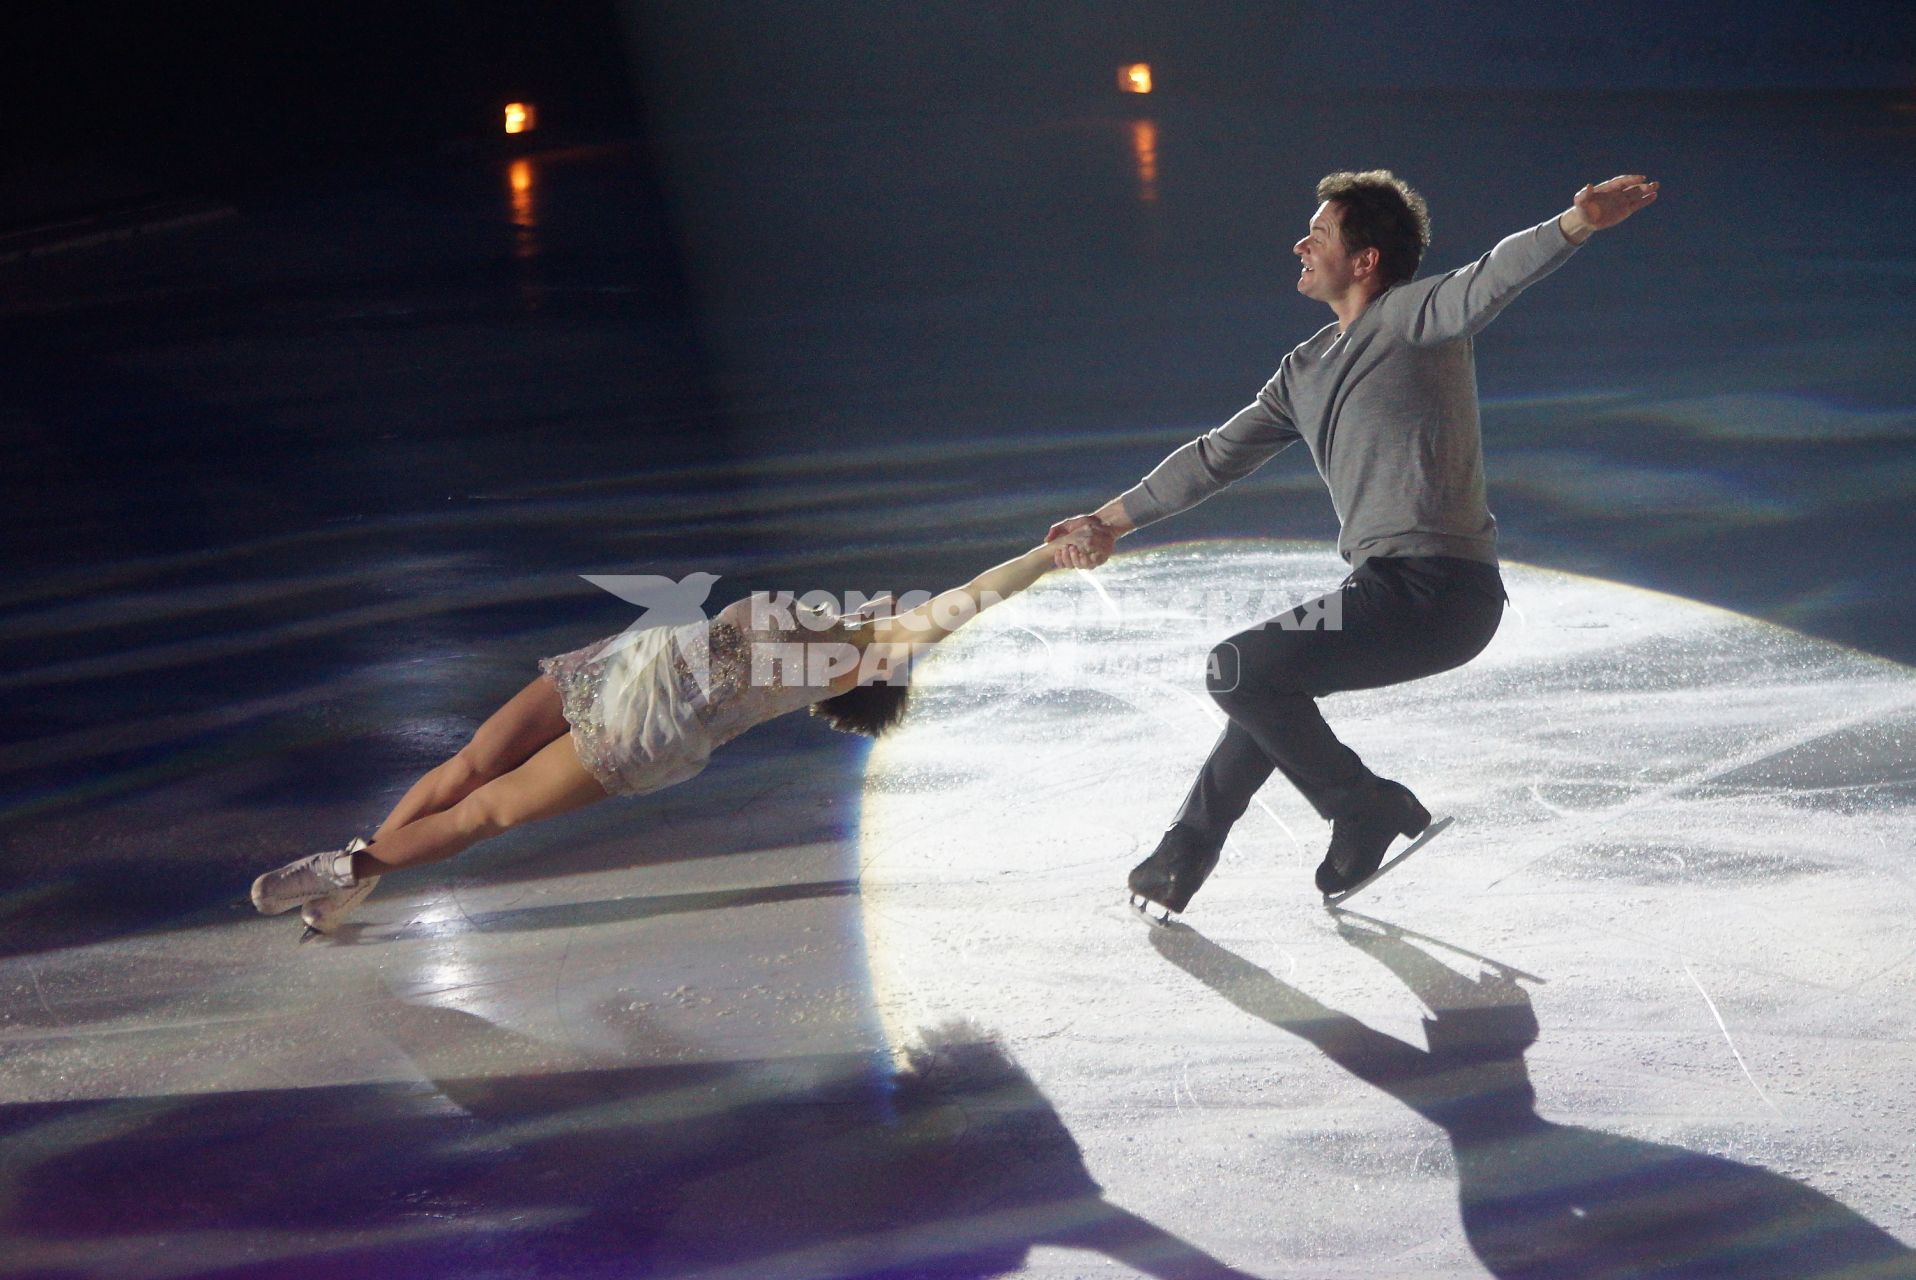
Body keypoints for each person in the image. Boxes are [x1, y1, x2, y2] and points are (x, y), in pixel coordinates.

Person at [1047, 171, 1659, 909]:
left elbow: (1489, 279)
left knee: (1239, 668)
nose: (1301, 244)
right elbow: (1215, 455)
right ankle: (1183, 856)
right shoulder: (1304, 369)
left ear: (1366, 260)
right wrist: (1107, 522)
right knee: (1261, 683)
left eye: (1323, 234)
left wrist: (1575, 221)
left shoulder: (1412, 317)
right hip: (1378, 592)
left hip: (1441, 593)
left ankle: (1361, 805)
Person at [251, 527, 1102, 935]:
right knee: (470, 761)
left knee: (486, 815)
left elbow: (974, 594)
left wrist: (1044, 551)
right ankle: (369, 871)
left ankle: (343, 866)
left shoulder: (866, 651)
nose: (893, 602)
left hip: (648, 725)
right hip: (623, 662)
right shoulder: (826, 620)